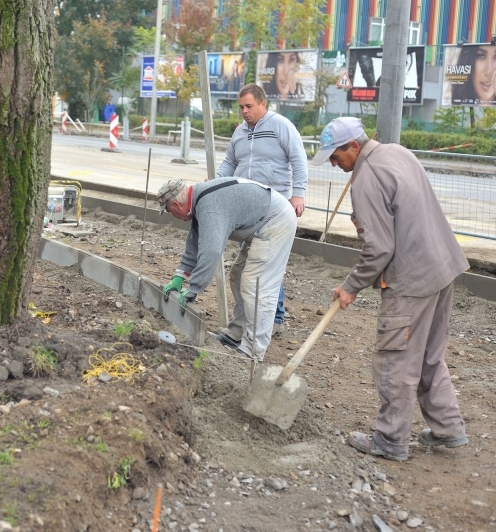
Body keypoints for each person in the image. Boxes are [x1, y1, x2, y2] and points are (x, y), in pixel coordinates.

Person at [311, 117, 469, 461]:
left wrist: (351, 285)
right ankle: (448, 428)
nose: (335, 165)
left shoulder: (365, 180)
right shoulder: (397, 152)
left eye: (336, 157)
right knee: (428, 355)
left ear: (354, 146)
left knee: (395, 360)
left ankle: (390, 440)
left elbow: (379, 248)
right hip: (442, 267)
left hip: (411, 279)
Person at [158, 177, 296, 361]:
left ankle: (253, 351)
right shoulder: (200, 199)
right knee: (238, 276)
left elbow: (211, 251)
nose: (171, 215)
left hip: (275, 221)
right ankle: (235, 335)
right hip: (262, 220)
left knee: (257, 285)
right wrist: (180, 276)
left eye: (168, 211)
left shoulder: (209, 206)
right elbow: (195, 242)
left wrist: (194, 288)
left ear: (176, 204)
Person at [215, 83, 307, 337]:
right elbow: (230, 162)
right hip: (247, 207)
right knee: (253, 265)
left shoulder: (280, 126)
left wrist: (298, 194)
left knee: (264, 264)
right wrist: (214, 185)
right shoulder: (240, 133)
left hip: (274, 207)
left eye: (249, 106)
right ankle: (252, 320)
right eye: (241, 107)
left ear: (263, 104)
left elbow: (298, 158)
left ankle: (273, 319)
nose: (244, 111)